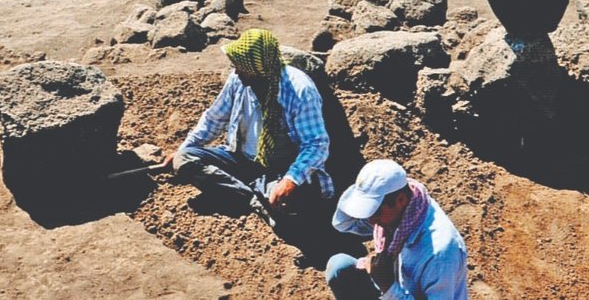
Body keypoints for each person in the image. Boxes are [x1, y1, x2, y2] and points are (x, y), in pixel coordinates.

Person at [164, 28, 334, 225]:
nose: (236, 71)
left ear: (258, 67)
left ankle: (248, 196)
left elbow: (316, 144)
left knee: (291, 204)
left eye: (241, 66)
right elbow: (213, 119)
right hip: (240, 159)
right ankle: (252, 200)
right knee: (184, 158)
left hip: (279, 168)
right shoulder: (238, 80)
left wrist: (290, 180)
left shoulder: (299, 90)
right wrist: (182, 149)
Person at [325, 159, 468, 300]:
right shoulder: (407, 207)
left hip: (399, 293)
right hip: (396, 290)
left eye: (376, 212)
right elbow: (343, 223)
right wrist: (364, 190)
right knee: (340, 266)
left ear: (400, 200)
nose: (371, 221)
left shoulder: (440, 254)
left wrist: (388, 287)